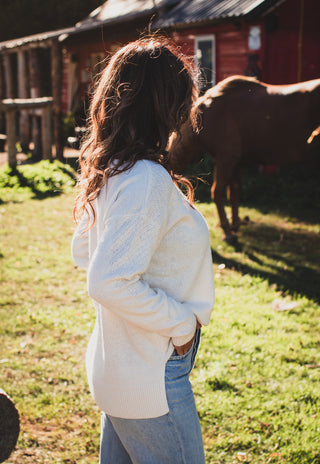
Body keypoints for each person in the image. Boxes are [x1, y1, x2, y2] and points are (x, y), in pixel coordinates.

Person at [71, 36, 215, 464]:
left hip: (120, 365)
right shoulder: (146, 179)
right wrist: (182, 325)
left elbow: (84, 252)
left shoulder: (112, 170)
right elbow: (106, 279)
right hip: (150, 371)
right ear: (166, 102)